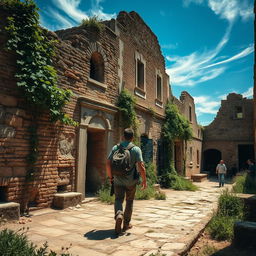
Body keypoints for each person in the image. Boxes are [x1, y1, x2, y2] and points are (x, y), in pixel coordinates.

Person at [106, 128, 147, 235]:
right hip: (131, 182)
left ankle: (119, 214)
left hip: (118, 180)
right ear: (132, 137)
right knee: (129, 201)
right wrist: (144, 181)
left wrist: (111, 178)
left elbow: (107, 163)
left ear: (123, 136)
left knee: (118, 199)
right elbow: (141, 166)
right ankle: (126, 224)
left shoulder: (116, 148)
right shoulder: (136, 149)